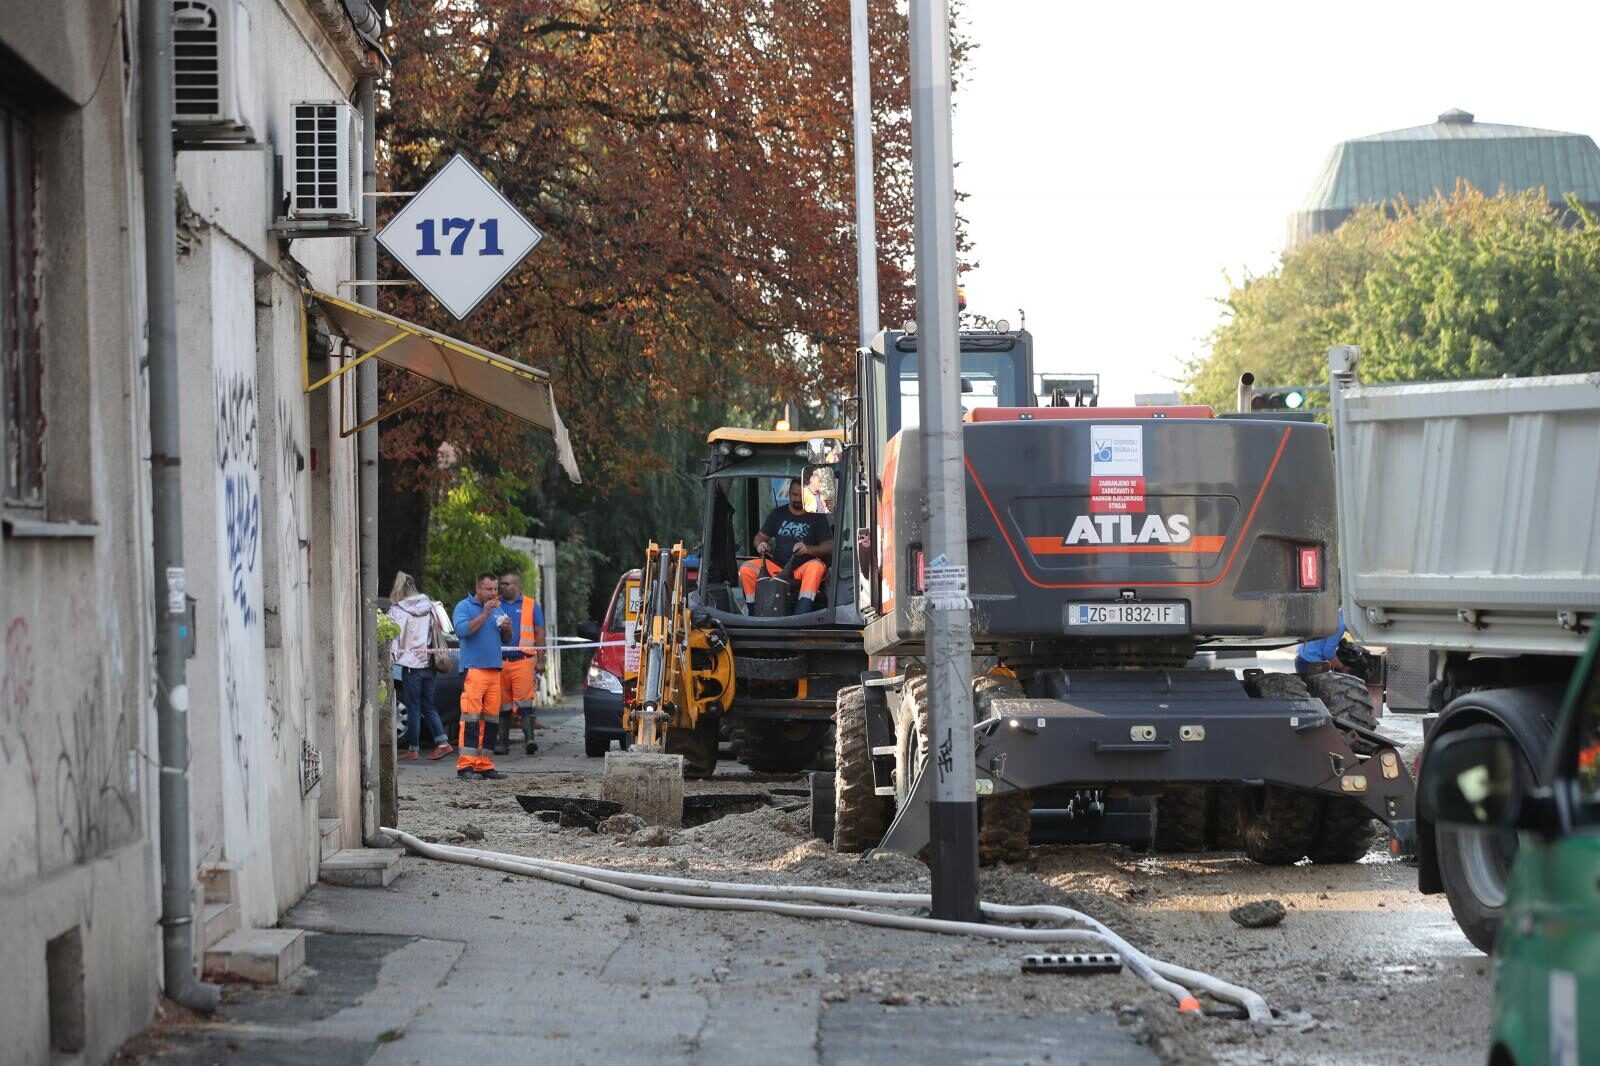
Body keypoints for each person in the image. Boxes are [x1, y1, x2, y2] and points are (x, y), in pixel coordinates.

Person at [738, 477, 833, 614]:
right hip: (778, 567)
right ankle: (754, 612)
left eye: (801, 496)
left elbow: (830, 545)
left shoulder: (817, 516)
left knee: (816, 566)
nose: (798, 499)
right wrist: (761, 544)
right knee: (746, 569)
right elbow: (759, 537)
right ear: (789, 494)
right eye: (794, 495)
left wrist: (808, 549)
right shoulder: (777, 514)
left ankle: (801, 613)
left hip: (802, 569)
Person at [387, 572, 454, 761]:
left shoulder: (397, 609)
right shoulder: (429, 606)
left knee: (413, 707)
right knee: (428, 705)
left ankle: (414, 748)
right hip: (430, 663)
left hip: (410, 665)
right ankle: (442, 742)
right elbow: (438, 631)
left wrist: (392, 658)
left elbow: (394, 636)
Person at [451, 572, 512, 780]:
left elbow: (507, 639)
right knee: (471, 719)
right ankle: (465, 766)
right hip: (474, 669)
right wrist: (485, 614)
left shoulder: (498, 608)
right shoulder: (464, 607)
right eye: (489, 589)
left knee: (491, 720)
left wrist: (507, 629)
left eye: (495, 589)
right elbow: (462, 631)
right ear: (478, 589)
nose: (493, 593)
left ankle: (485, 764)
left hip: (494, 669)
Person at [495, 568, 545, 756]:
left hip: (523, 660)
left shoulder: (531, 605)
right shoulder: (495, 604)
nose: (502, 586)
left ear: (517, 585)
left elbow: (539, 633)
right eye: (502, 583)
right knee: (503, 705)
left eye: (506, 583)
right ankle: (503, 743)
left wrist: (541, 660)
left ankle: (529, 739)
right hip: (500, 661)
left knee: (524, 703)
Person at [1295, 607, 1349, 676]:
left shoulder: (1335, 614)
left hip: (1303, 655)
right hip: (1310, 662)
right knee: (1314, 686)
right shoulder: (1339, 625)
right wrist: (1343, 668)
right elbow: (1328, 653)